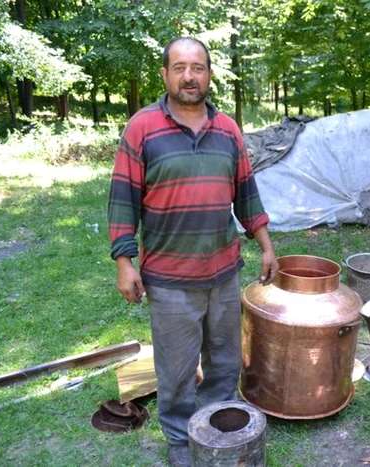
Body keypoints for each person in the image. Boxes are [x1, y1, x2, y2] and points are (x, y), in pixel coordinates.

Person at [107, 37, 279, 467]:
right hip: (169, 278)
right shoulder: (142, 128)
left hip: (223, 272)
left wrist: (266, 247)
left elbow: (246, 193)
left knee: (222, 363)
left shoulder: (227, 129)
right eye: (180, 67)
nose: (189, 76)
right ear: (165, 74)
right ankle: (182, 442)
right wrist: (124, 263)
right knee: (178, 370)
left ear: (209, 74)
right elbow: (122, 198)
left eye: (198, 68)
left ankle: (218, 428)